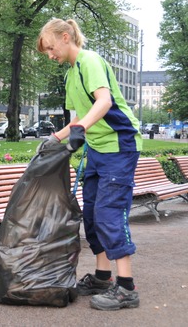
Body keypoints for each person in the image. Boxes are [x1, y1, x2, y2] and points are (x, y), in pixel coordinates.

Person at [36, 18, 143, 311]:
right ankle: (102, 277)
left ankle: (126, 288)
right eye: (46, 51)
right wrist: (54, 138)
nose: (50, 55)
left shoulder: (89, 61)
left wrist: (81, 129)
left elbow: (104, 102)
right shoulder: (72, 74)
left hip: (119, 146)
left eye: (51, 47)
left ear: (65, 37)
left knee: (109, 212)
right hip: (97, 149)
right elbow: (78, 118)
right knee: (93, 216)